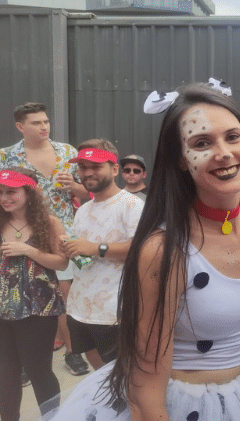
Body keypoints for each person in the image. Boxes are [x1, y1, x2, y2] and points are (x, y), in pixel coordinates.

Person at [47, 83, 240, 421]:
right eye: (202, 143)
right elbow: (145, 389)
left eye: (233, 137)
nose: (224, 152)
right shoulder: (163, 250)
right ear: (182, 160)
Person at [1, 103, 90, 376]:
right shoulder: (6, 157)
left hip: (66, 231)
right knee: (26, 294)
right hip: (24, 230)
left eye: (46, 121)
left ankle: (72, 352)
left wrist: (75, 187)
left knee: (67, 294)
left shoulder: (67, 152)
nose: (44, 127)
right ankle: (29, 358)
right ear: (20, 126)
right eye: (36, 123)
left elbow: (89, 191)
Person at [60, 139, 144, 370]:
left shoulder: (132, 205)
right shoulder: (84, 210)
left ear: (114, 169)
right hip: (80, 308)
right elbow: (84, 254)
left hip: (115, 311)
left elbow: (145, 250)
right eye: (83, 167)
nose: (88, 173)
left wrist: (97, 248)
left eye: (95, 166)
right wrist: (70, 247)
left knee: (125, 378)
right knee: (100, 378)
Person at [0, 168, 68, 420]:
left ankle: (53, 417)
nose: (4, 197)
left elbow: (61, 263)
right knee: (6, 372)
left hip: (39, 308)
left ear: (29, 192)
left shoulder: (48, 222)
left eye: (11, 191)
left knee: (38, 369)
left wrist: (27, 251)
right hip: (3, 308)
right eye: (0, 192)